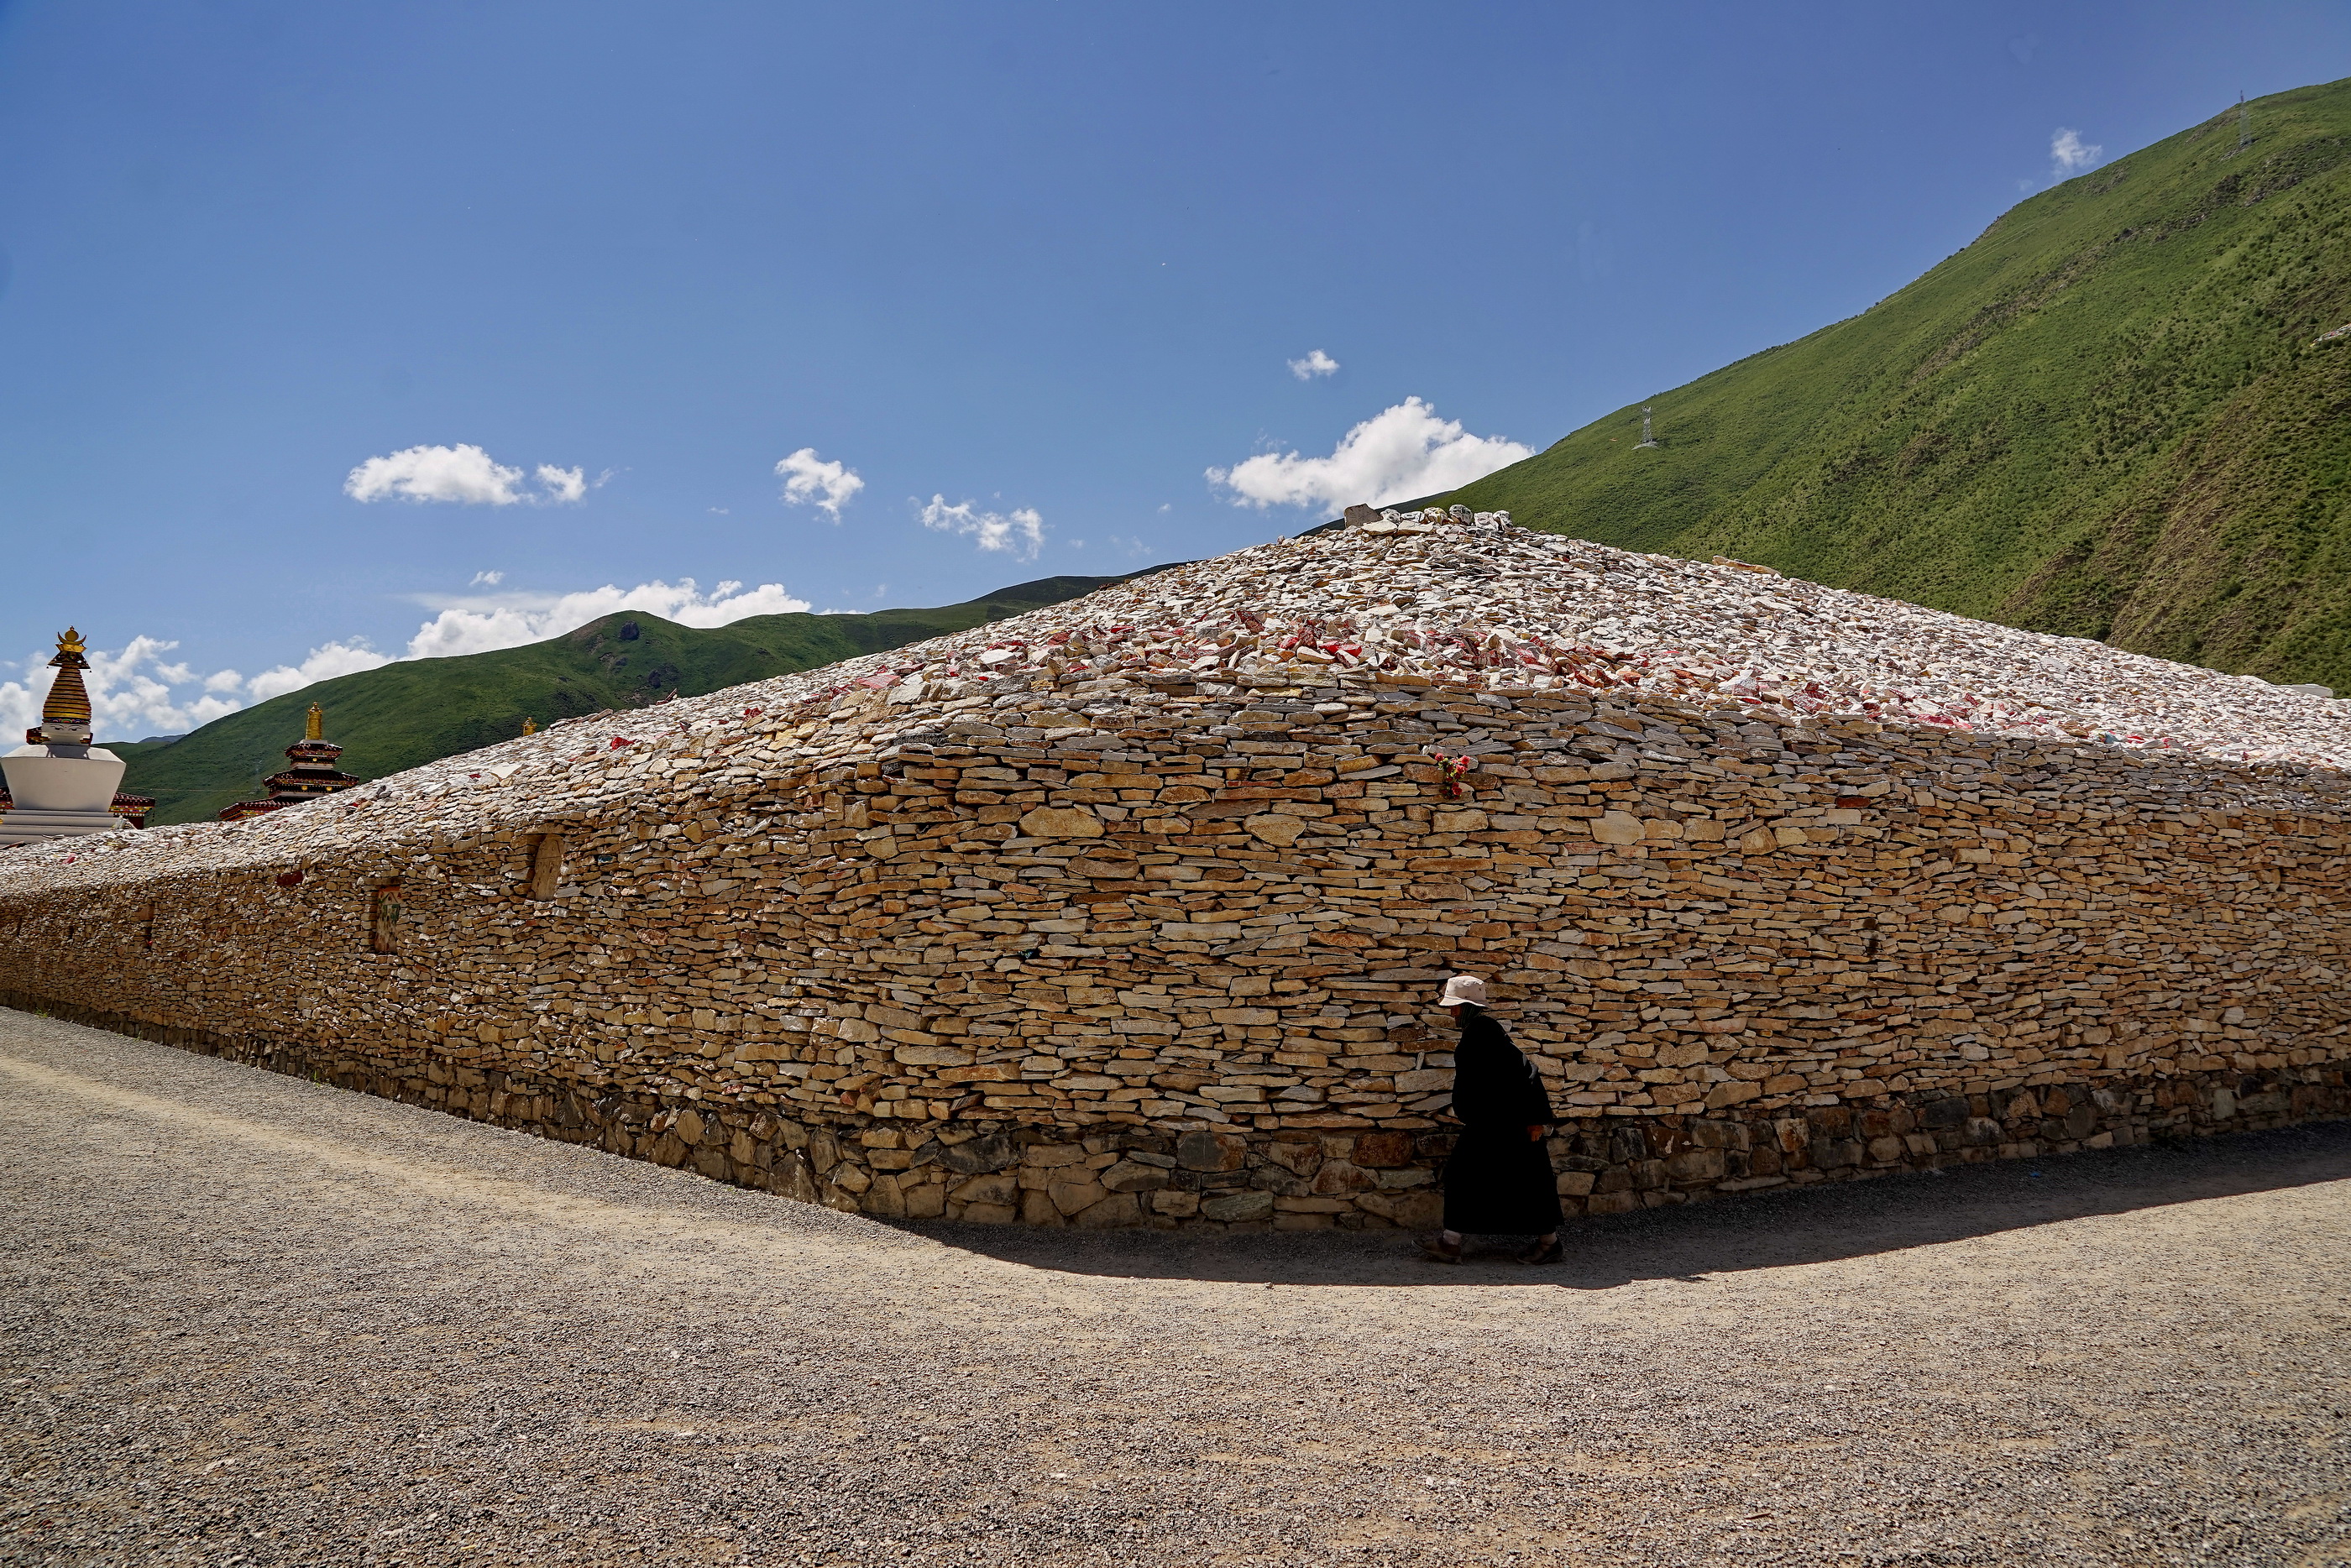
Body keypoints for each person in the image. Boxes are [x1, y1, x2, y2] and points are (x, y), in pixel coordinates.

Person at [1419, 975, 1563, 1265]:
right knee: (1514, 1180)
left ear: (1468, 1008)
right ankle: (1453, 1241)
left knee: (1470, 1176)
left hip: (1504, 1124)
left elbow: (1527, 1072)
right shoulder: (1480, 1031)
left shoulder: (1483, 1031)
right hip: (1496, 1123)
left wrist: (1537, 1119)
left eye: (1455, 1007)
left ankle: (1453, 1242)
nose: (1452, 1012)